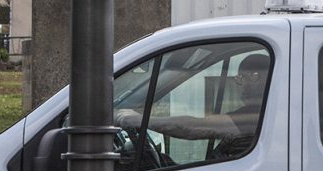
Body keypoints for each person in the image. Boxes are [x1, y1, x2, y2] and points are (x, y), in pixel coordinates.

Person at [115, 52, 270, 160]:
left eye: (241, 77)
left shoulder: (260, 116)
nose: (238, 83)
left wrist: (143, 120)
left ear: (256, 76)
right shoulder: (258, 113)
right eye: (237, 78)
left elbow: (193, 127)